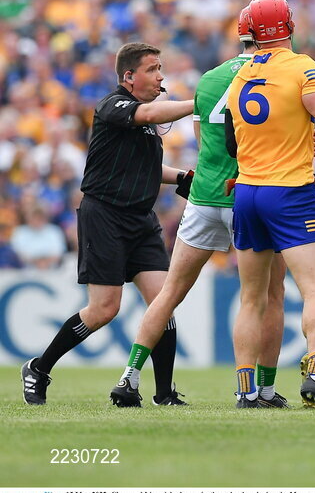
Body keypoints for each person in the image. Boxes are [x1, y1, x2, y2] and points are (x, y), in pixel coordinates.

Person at [109, 7, 293, 408]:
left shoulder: (210, 78)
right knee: (267, 296)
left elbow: (200, 136)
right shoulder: (277, 75)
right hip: (250, 196)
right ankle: (261, 389)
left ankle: (129, 377)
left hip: (203, 196)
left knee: (170, 292)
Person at [21, 42, 195, 405]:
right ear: (128, 77)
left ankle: (164, 394)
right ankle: (39, 368)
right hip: (105, 217)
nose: (160, 76)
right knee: (104, 309)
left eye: (161, 69)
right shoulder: (112, 105)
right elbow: (149, 116)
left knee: (163, 302)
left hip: (141, 219)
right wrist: (200, 103)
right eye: (152, 69)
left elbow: (144, 168)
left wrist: (182, 177)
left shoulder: (145, 121)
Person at [224, 0, 315, 409]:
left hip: (248, 193)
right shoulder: (303, 67)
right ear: (288, 25)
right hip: (289, 193)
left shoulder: (240, 75)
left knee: (252, 298)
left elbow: (235, 140)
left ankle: (246, 391)